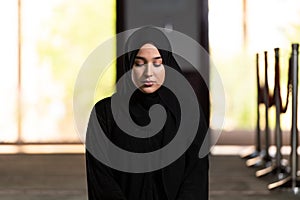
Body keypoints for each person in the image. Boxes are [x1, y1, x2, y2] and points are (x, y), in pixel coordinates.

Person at [85, 26, 209, 200]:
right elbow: (101, 179)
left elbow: (196, 177)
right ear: (130, 65)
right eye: (140, 63)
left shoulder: (188, 114)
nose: (149, 73)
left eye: (157, 63)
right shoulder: (105, 114)